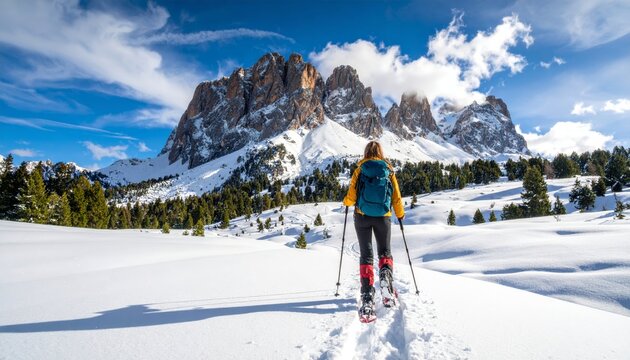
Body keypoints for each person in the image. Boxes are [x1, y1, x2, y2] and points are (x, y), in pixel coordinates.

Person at [343, 141, 404, 321]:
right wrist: (400, 215)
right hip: (383, 216)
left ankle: (368, 296)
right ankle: (386, 284)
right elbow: (396, 196)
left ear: (366, 152)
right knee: (385, 252)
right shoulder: (388, 170)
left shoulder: (360, 169)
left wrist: (346, 203)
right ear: (381, 152)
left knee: (366, 255)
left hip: (362, 216)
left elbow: (352, 195)